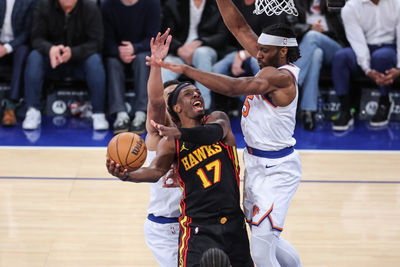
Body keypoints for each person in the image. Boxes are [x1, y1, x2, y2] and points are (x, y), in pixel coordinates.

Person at [157, 0, 303, 266]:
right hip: (256, 163)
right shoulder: (269, 63)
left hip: (277, 169)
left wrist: (189, 71)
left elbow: (237, 87)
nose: (256, 54)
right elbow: (237, 26)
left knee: (259, 251)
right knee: (269, 240)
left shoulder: (281, 78)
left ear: (282, 53)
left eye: (264, 50)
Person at [106, 81, 253, 266]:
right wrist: (126, 175)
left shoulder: (217, 120)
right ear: (177, 107)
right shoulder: (170, 143)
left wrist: (180, 133)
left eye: (197, 92)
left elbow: (212, 133)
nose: (196, 95)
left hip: (233, 221)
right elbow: (155, 171)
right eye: (188, 94)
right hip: (197, 227)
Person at [22, 0, 109, 131]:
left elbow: (97, 43)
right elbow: (36, 39)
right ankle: (33, 111)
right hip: (53, 61)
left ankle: (98, 113)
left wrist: (73, 52)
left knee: (95, 60)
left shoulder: (90, 8)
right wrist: (50, 49)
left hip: (79, 61)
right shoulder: (43, 6)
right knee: (34, 57)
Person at [141, 29, 182, 267]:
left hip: (195, 221)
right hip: (164, 225)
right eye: (167, 97)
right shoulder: (158, 133)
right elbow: (155, 102)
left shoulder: (203, 131)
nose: (169, 102)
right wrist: (156, 65)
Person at [331, 0, 400, 131]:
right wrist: (367, 69)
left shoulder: (397, 3)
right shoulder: (351, 7)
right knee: (341, 57)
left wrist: (399, 68)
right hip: (363, 48)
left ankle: (384, 101)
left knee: (381, 57)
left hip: (389, 48)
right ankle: (345, 108)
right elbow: (357, 42)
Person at [211, 0, 285, 115]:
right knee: (217, 69)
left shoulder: (268, 7)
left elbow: (271, 43)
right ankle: (220, 110)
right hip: (236, 52)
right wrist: (238, 55)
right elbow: (228, 34)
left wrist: (243, 55)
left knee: (258, 64)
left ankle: (266, 108)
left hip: (260, 52)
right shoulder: (236, 4)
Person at [101, 0, 161, 134]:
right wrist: (119, 51)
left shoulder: (152, 4)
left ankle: (141, 113)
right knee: (112, 62)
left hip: (141, 51)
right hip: (116, 52)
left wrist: (134, 48)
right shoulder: (107, 5)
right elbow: (105, 38)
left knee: (144, 59)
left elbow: (154, 36)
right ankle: (120, 114)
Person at [161, 0, 228, 111]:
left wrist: (199, 42)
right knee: (166, 68)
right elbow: (167, 34)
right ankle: (164, 110)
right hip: (180, 51)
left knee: (202, 54)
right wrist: (179, 49)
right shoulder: (173, 4)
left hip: (206, 48)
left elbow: (222, 36)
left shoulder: (219, 4)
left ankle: (203, 108)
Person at [292, 0, 348, 130]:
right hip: (308, 47)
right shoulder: (297, 3)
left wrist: (319, 31)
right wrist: (309, 27)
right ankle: (308, 111)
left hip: (334, 46)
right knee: (316, 54)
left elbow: (344, 26)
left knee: (313, 37)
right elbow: (291, 27)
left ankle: (292, 82)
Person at [0, 0, 36, 126]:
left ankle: (10, 107)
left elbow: (28, 32)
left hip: (16, 47)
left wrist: (7, 48)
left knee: (23, 52)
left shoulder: (29, 2)